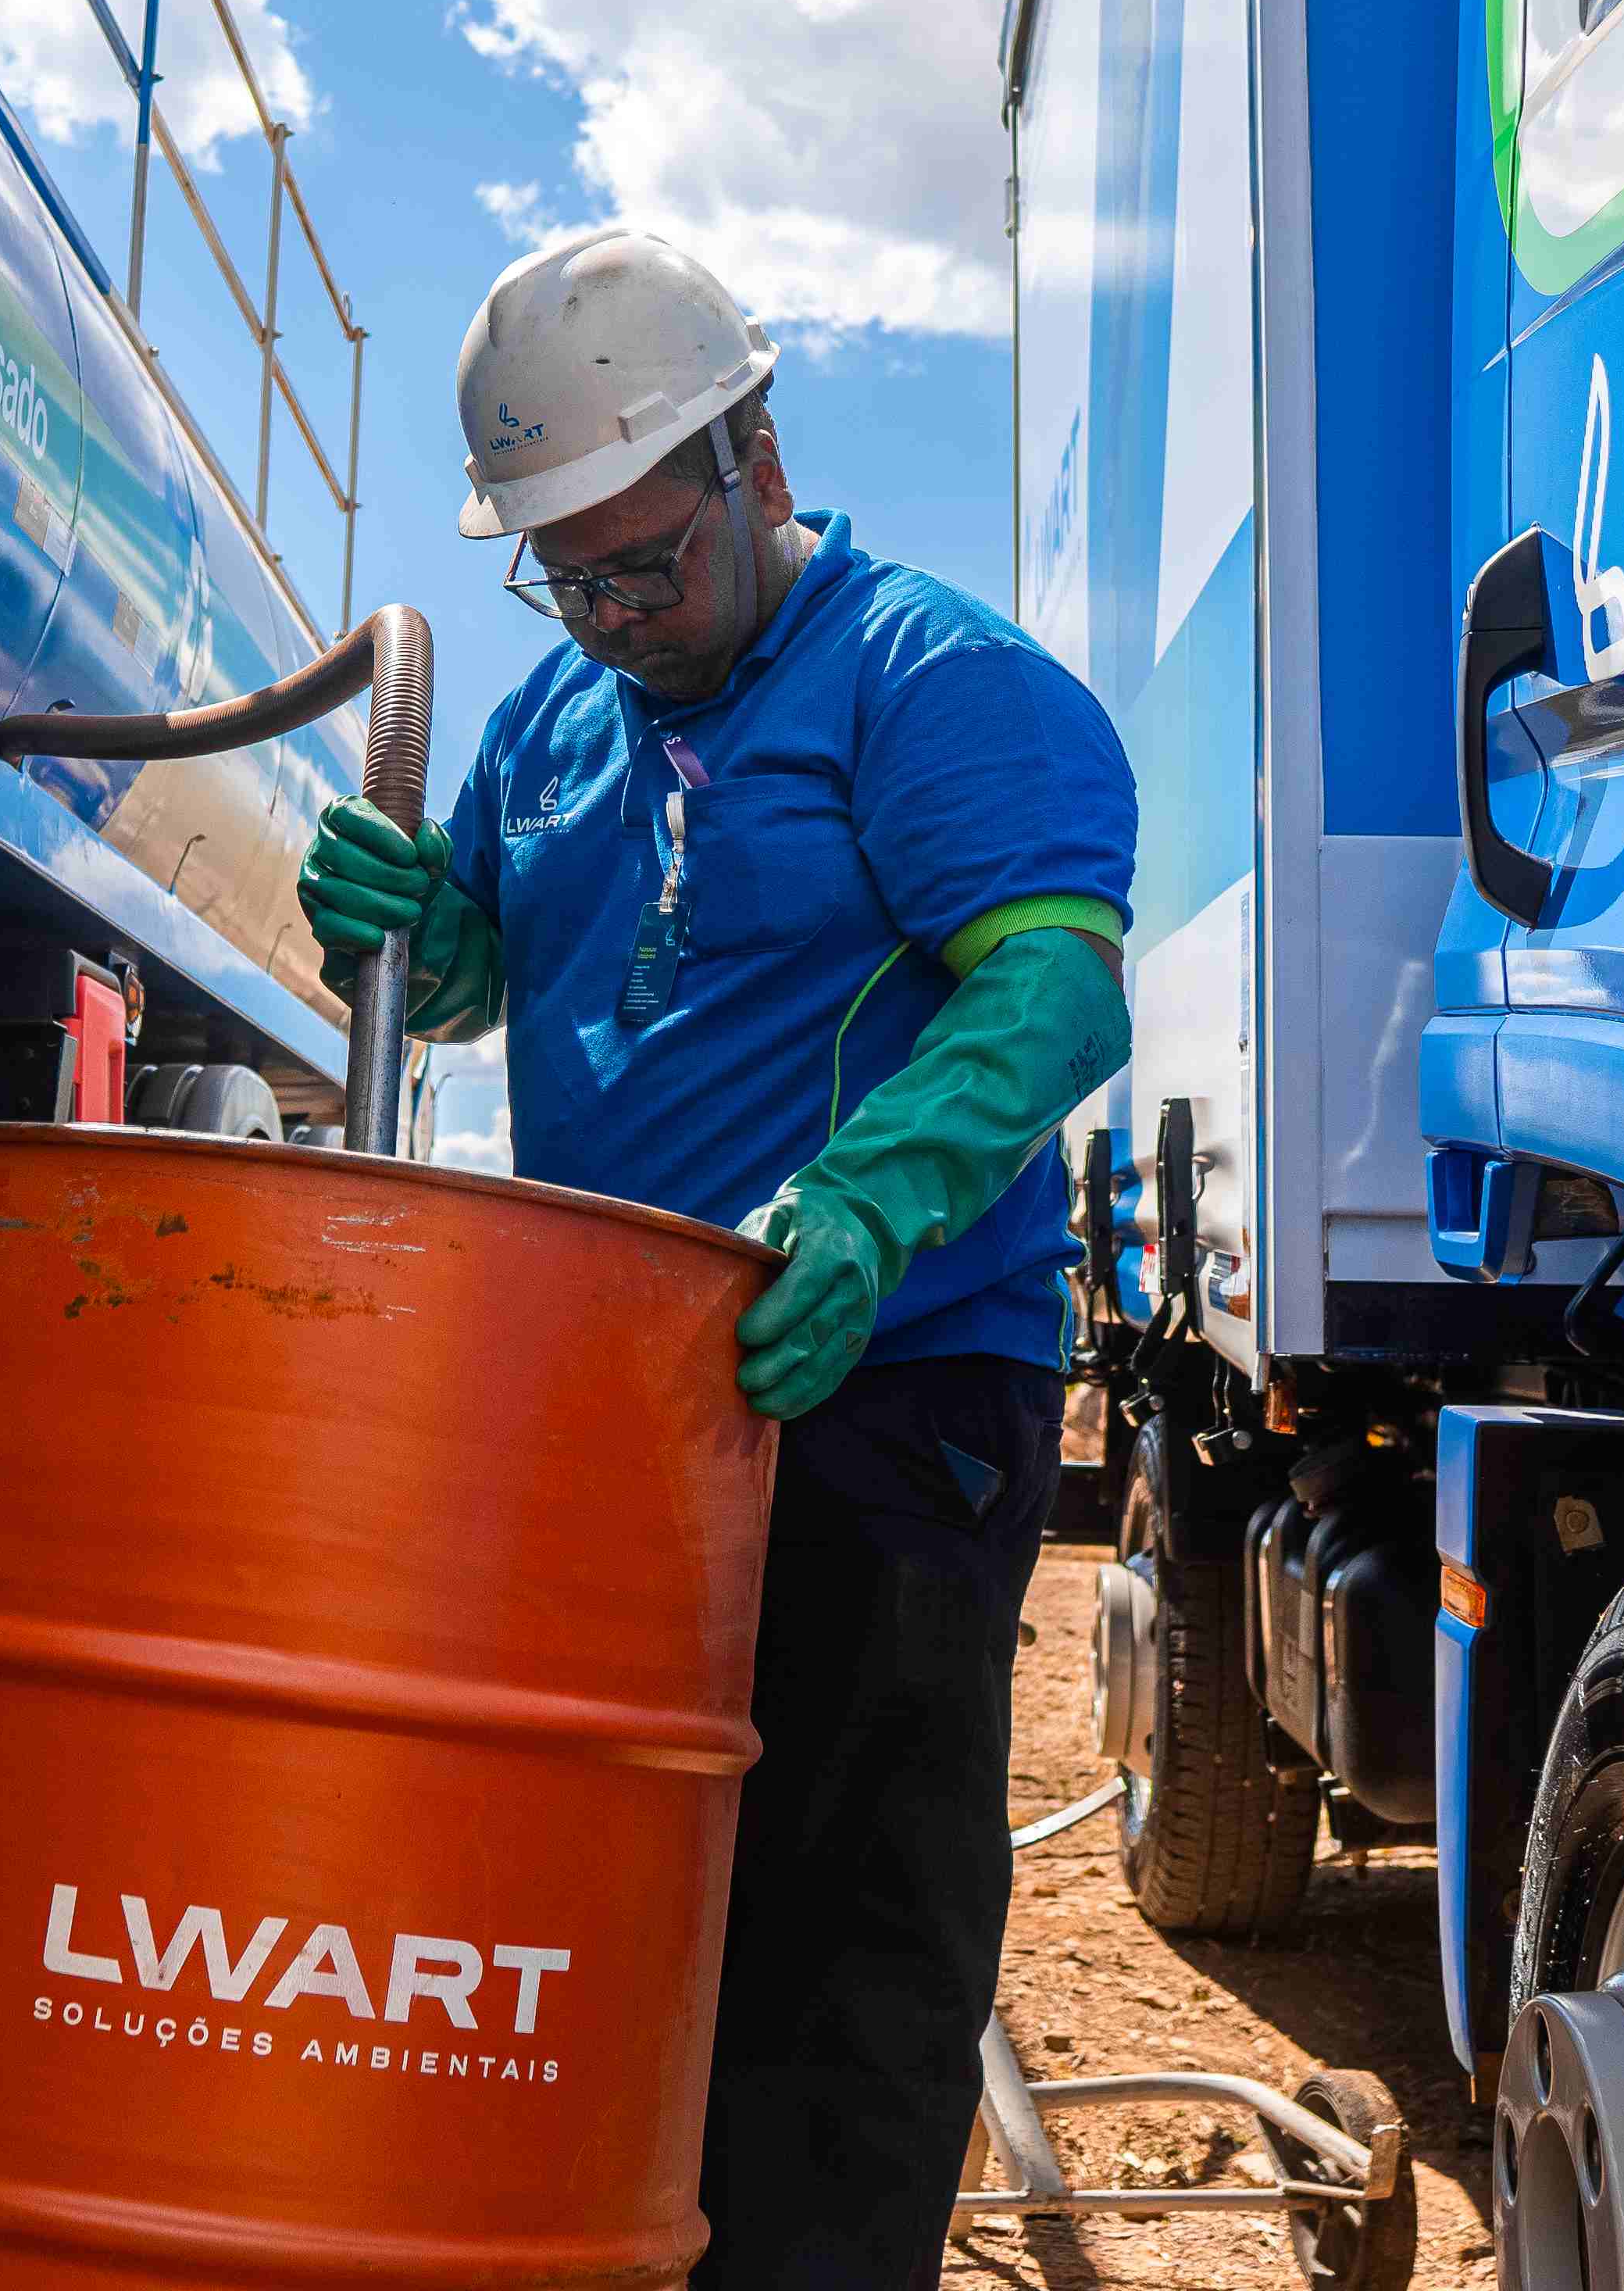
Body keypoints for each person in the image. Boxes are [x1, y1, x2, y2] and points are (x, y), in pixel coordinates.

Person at [294, 229, 1135, 2289]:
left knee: (849, 1914)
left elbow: (1050, 1000)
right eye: (560, 574)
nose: (605, 613)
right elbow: (506, 973)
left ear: (756, 456)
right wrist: (409, 923)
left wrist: (861, 1206)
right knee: (631, 1869)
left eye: (641, 563)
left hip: (893, 1379)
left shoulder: (931, 682)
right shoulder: (555, 724)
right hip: (631, 1402)